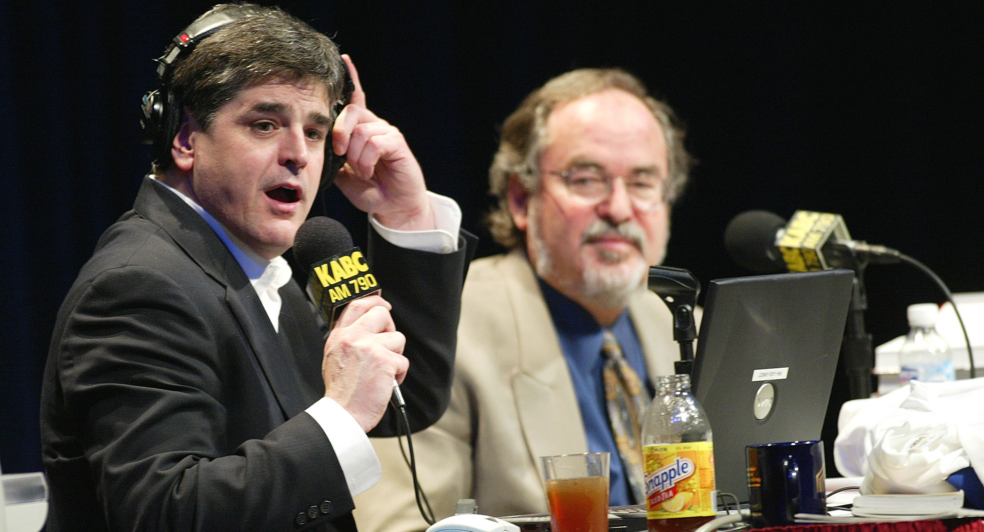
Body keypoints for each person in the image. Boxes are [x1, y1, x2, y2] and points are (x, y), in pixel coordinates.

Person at [39, 5, 473, 531]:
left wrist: (404, 215)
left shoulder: (261, 272)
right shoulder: (140, 286)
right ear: (183, 138)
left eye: (316, 133)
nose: (299, 154)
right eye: (265, 124)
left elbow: (408, 398)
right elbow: (163, 512)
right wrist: (340, 415)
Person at [354, 68, 696, 531]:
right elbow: (403, 526)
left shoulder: (685, 324)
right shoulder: (440, 330)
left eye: (642, 183)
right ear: (520, 198)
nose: (618, 209)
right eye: (586, 179)